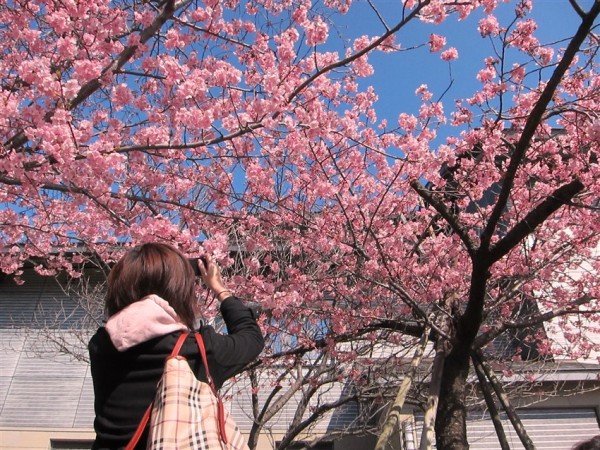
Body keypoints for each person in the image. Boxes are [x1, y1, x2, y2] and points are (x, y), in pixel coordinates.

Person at [88, 243, 264, 450]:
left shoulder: (100, 345)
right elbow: (251, 337)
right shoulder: (197, 349)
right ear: (179, 290)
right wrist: (219, 288)